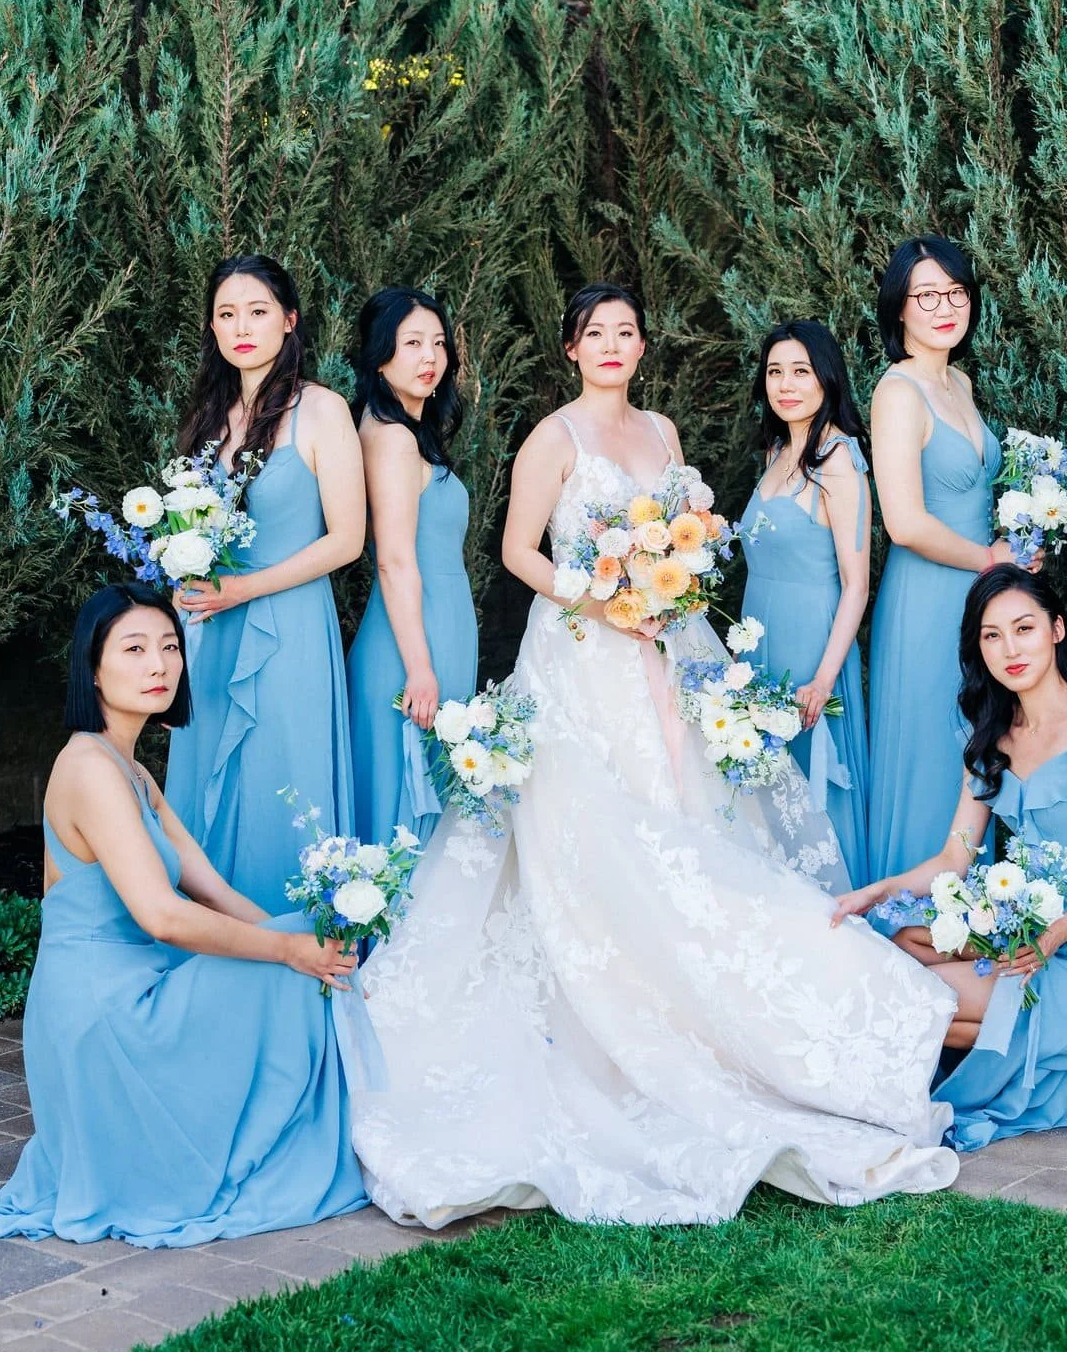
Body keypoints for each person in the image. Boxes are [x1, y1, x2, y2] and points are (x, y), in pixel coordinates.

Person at [332, 283, 959, 1227]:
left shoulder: (663, 432)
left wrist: (672, 586)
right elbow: (515, 552)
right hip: (584, 658)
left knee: (693, 826)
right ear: (572, 347)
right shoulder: (553, 439)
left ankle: (738, 1023)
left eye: (628, 331)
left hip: (670, 649)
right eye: (597, 334)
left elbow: (689, 541)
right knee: (596, 839)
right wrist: (603, 600)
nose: (613, 346)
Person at [0, 585, 367, 1248]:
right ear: (92, 669)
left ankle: (322, 1124)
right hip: (104, 1014)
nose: (160, 666)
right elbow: (164, 916)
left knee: (298, 945)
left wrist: (302, 938)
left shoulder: (131, 770)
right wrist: (288, 951)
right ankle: (304, 1136)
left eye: (170, 647)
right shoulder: (88, 767)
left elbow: (212, 889)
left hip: (134, 984)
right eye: (135, 649)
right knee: (287, 956)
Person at [835, 567, 1067, 1150]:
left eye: (1024, 628)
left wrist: (1057, 934)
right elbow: (952, 859)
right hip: (1030, 941)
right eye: (992, 636)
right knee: (903, 943)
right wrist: (876, 891)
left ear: (1057, 630)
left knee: (926, 1003)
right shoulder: (991, 741)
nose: (1010, 649)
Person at [164, 255, 364, 913]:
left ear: (289, 320)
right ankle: (216, 936)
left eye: (256, 311)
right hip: (212, 629)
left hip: (288, 628)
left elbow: (346, 540)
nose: (241, 326)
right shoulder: (210, 418)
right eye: (226, 314)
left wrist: (244, 591)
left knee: (283, 780)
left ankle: (292, 939)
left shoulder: (322, 410)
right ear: (212, 328)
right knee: (211, 786)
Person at [866, 237, 1009, 881]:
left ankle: (977, 917)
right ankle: (915, 925)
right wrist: (990, 559)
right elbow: (904, 522)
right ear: (900, 309)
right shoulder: (898, 392)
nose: (945, 306)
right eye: (926, 295)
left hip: (982, 592)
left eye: (955, 291)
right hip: (928, 599)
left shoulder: (959, 380)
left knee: (981, 745)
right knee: (934, 748)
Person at [739, 320, 871, 888]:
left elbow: (856, 582)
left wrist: (823, 678)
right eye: (775, 371)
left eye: (801, 370)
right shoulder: (776, 451)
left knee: (812, 799)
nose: (786, 384)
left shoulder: (837, 457)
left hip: (812, 646)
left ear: (826, 377)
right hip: (759, 641)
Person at [346, 287, 479, 848]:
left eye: (439, 343)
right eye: (412, 344)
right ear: (381, 355)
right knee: (410, 801)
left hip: (436, 628)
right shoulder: (393, 438)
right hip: (414, 643)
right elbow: (395, 561)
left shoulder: (403, 432)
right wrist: (421, 667)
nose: (430, 357)